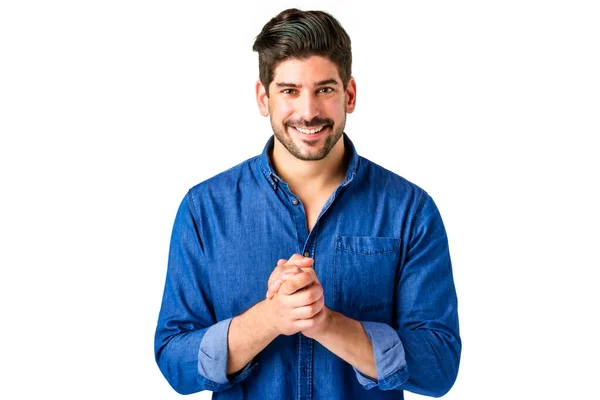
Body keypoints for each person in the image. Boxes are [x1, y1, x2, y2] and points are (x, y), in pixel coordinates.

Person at [154, 8, 461, 399]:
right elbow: (173, 360)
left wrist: (327, 324)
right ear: (263, 98)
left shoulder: (410, 211)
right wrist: (268, 319)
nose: (309, 111)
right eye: (289, 91)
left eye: (325, 90)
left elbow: (439, 366)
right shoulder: (204, 210)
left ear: (349, 94)